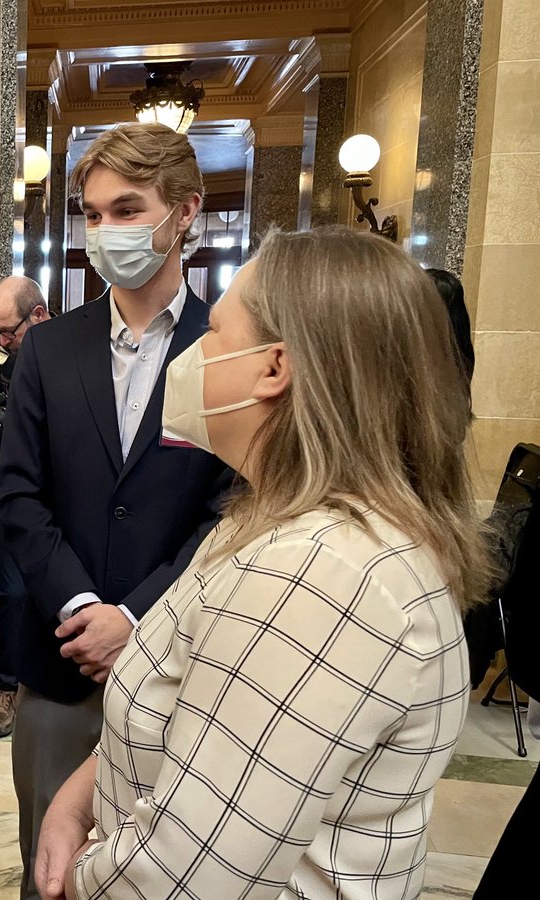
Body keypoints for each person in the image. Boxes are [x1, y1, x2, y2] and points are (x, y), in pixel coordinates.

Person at [35, 226, 489, 900]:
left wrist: (75, 879)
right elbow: (192, 713)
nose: (191, 353)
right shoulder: (270, 517)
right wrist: (83, 795)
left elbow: (185, 878)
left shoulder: (321, 573)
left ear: (274, 367)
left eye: (214, 332)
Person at [0, 123, 233, 900]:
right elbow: (17, 494)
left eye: (126, 209)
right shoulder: (48, 349)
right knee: (52, 872)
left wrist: (135, 617)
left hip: (188, 666)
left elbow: (235, 511)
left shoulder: (228, 348)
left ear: (185, 212)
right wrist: (82, 607)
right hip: (61, 664)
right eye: (92, 214)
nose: (105, 231)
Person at [0, 276, 51, 736]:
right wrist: (1, 402)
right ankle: (5, 687)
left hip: (58, 493)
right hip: (8, 486)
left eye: (10, 331)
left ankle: (46, 681)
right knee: (10, 592)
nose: (2, 341)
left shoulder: (70, 349)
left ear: (39, 315)